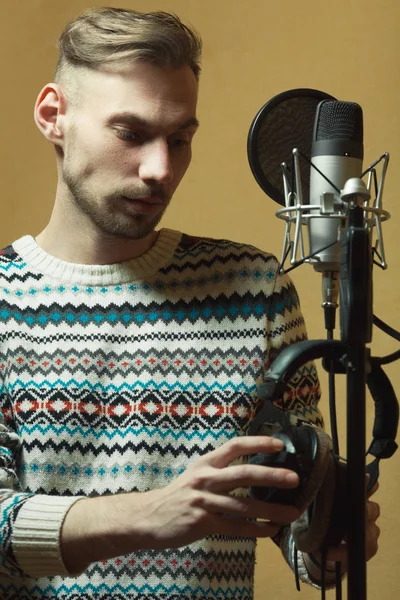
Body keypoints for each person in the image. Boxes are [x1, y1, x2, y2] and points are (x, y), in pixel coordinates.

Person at [0, 7, 380, 600]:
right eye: (131, 134)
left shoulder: (254, 287)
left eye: (180, 139)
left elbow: (290, 508)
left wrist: (321, 542)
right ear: (54, 115)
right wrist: (151, 514)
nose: (161, 169)